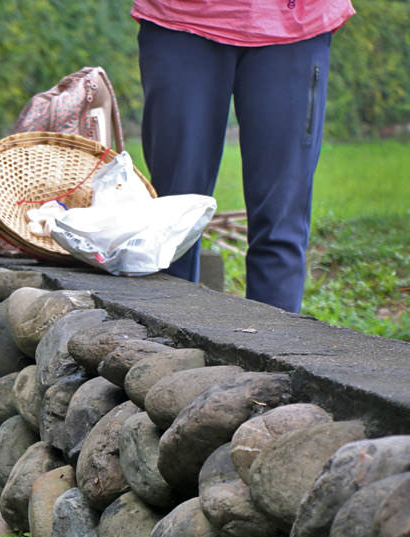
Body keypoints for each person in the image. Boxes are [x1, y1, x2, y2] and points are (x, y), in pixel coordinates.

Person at [132, 0, 355, 313]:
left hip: (294, 24)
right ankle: (164, 351)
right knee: (173, 218)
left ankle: (274, 353)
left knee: (281, 223)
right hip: (181, 21)